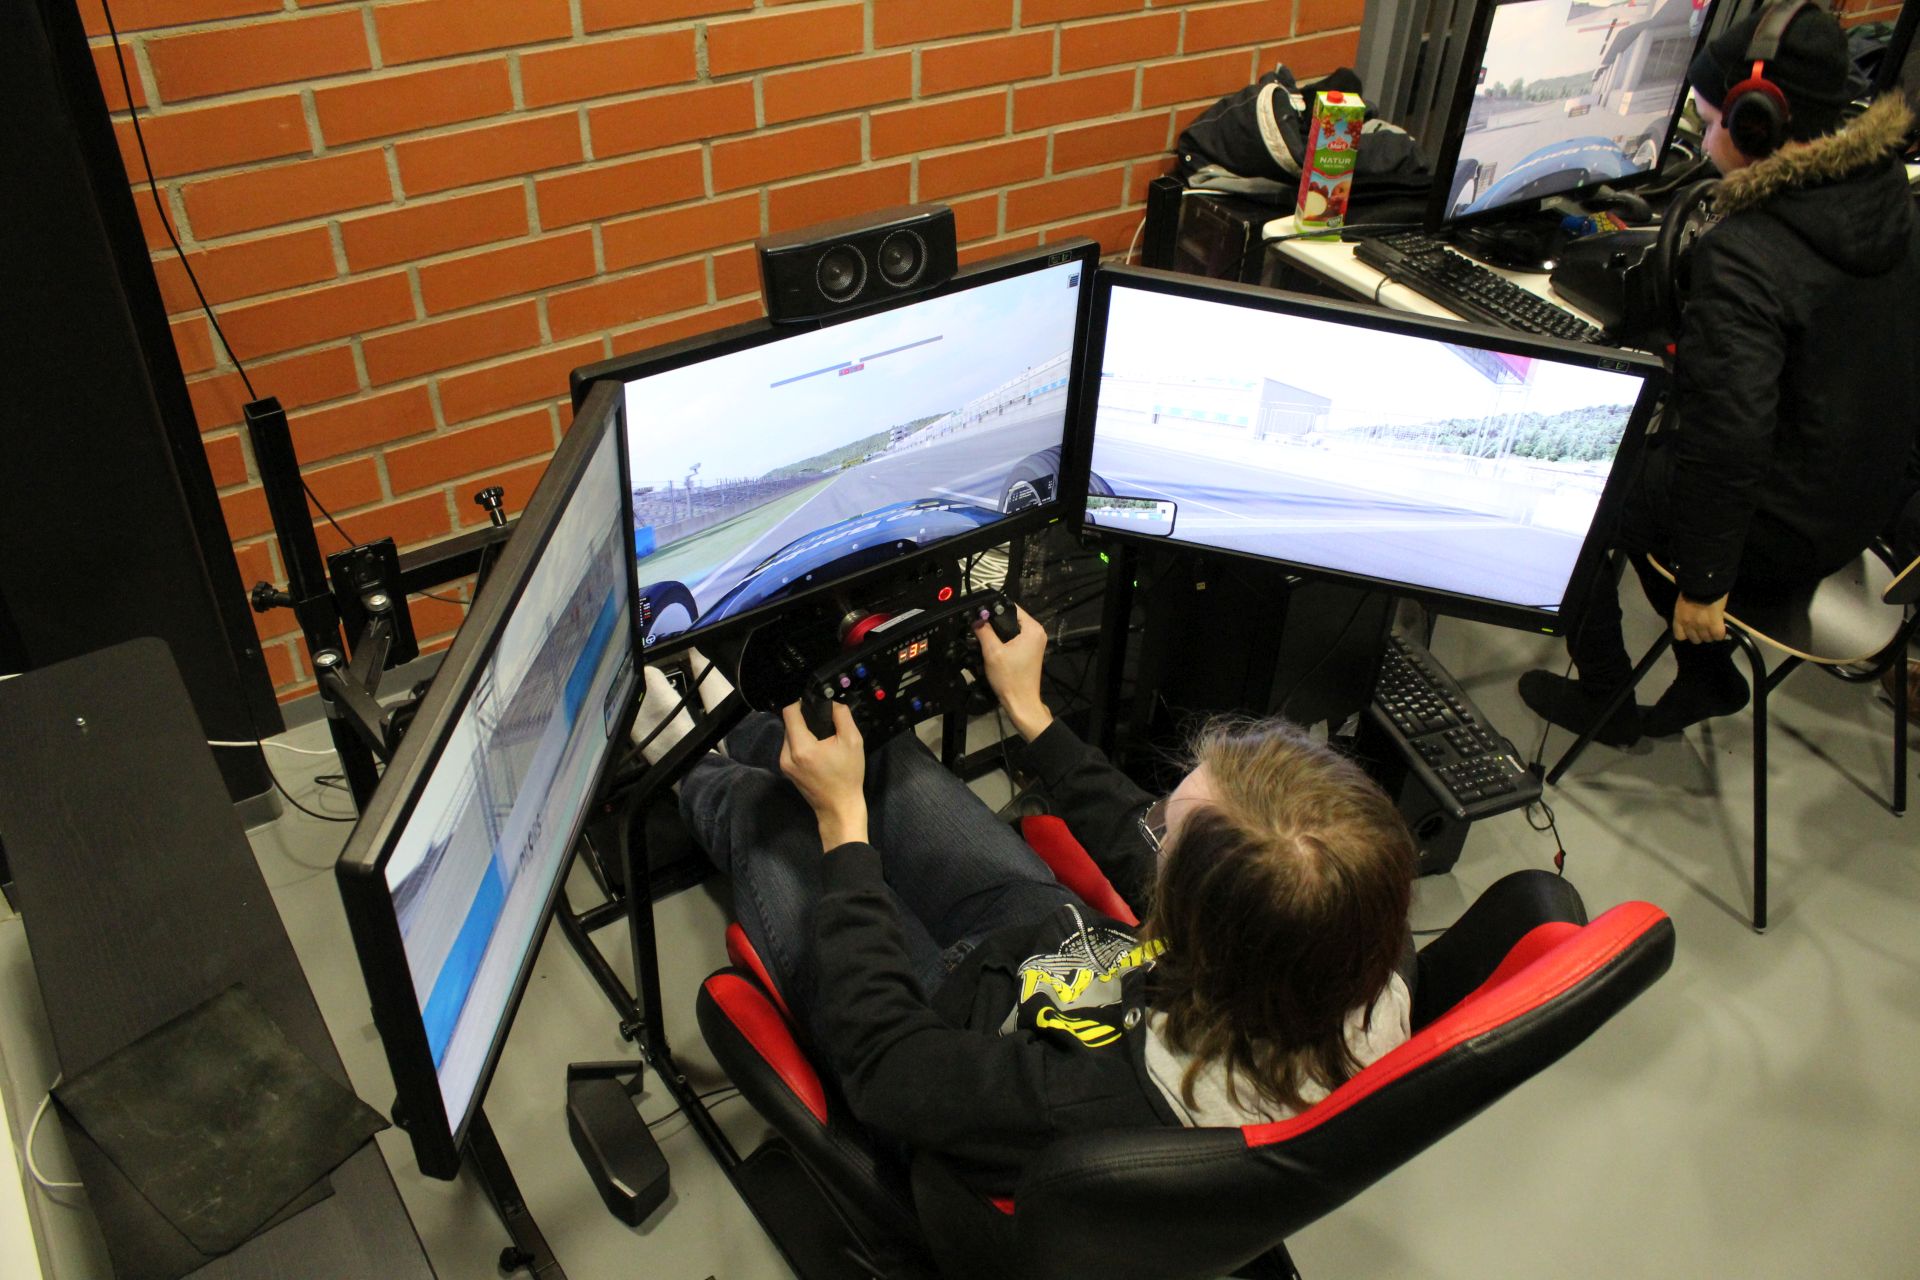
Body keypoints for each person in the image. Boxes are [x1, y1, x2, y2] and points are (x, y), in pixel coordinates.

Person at [638, 606, 1416, 1194]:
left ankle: (669, 745)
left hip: (941, 1035)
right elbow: (1151, 844)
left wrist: (844, 828)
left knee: (766, 816)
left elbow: (887, 1065)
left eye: (1165, 836)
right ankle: (730, 706)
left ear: (1192, 925)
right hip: (1054, 952)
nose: (1149, 833)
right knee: (880, 755)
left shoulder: (1102, 1104)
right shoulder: (1351, 927)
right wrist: (1033, 715)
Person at [1521, 3, 1920, 746]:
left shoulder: (1748, 253)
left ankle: (1607, 701)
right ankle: (1705, 675)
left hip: (1781, 530)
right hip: (1863, 511)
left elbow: (1729, 437)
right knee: (1655, 471)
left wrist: (1705, 583)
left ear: (1757, 126)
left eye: (1708, 124)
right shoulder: (1883, 192)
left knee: (1581, 480)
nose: (1703, 144)